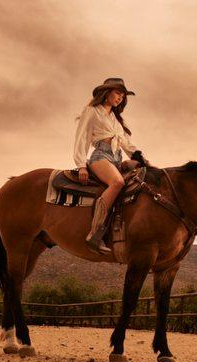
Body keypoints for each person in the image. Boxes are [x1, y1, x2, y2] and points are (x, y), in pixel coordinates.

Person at [73, 77, 147, 254]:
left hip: (117, 157)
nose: (120, 98)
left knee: (142, 178)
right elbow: (81, 136)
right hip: (100, 156)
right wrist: (81, 165)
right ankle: (95, 233)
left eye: (123, 96)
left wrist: (140, 159)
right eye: (118, 93)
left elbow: (126, 144)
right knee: (117, 183)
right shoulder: (91, 111)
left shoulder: (115, 119)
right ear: (107, 93)